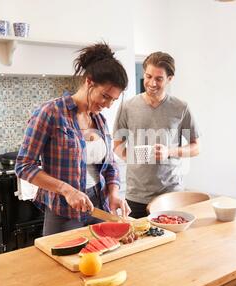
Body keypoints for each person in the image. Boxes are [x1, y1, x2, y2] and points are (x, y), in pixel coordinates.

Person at [15, 43, 131, 236]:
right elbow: (23, 166)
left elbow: (109, 165)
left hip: (99, 205)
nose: (108, 105)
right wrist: (67, 190)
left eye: (113, 100)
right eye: (105, 96)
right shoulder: (50, 113)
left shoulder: (99, 120)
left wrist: (113, 193)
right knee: (60, 263)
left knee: (103, 258)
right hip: (64, 210)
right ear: (89, 81)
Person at [113, 51, 200, 218]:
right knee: (139, 242)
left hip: (171, 193)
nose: (152, 83)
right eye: (148, 76)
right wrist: (132, 156)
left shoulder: (181, 107)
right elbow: (117, 146)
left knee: (173, 242)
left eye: (159, 79)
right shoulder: (127, 107)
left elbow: (196, 147)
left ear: (169, 79)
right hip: (136, 195)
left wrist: (170, 152)